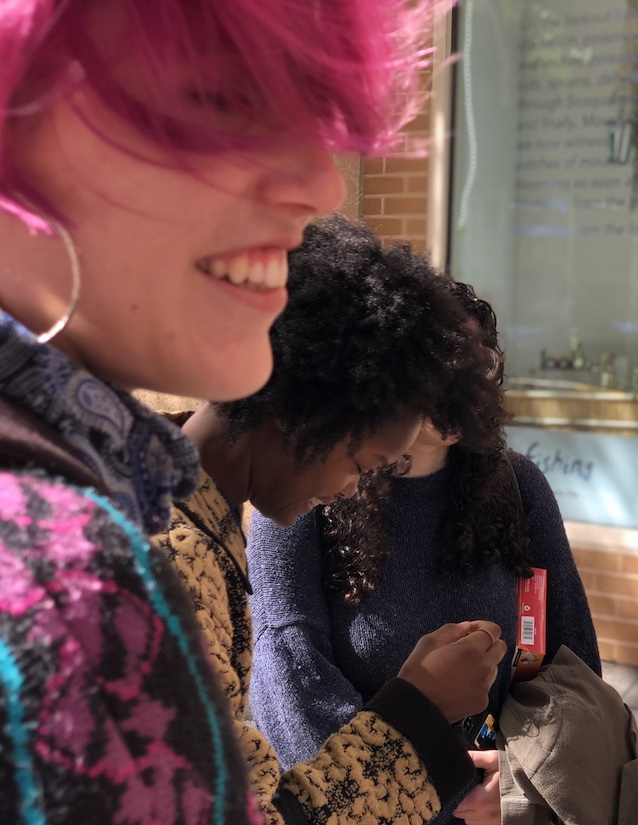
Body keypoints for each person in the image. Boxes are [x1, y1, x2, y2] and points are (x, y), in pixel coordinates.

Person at [0, 1, 462, 822]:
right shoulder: (69, 575)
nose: (321, 182)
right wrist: (418, 717)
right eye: (222, 103)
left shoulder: (113, 510)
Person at [154, 214, 508, 825]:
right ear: (303, 414)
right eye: (364, 461)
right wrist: (420, 708)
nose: (354, 486)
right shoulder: (173, 564)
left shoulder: (175, 509)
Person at [247, 282, 602, 825]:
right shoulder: (307, 493)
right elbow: (289, 673)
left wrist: (515, 781)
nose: (464, 388)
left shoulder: (518, 485)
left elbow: (569, 661)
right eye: (441, 369)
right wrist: (429, 787)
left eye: (478, 365)